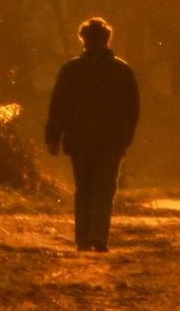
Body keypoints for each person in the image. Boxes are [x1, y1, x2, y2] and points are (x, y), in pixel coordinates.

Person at [45, 16, 139, 252]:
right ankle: (99, 236)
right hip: (111, 141)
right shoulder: (122, 70)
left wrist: (53, 136)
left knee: (84, 190)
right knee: (104, 189)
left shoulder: (70, 70)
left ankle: (83, 239)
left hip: (80, 141)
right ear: (107, 39)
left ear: (83, 40)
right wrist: (127, 138)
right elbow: (133, 109)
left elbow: (58, 106)